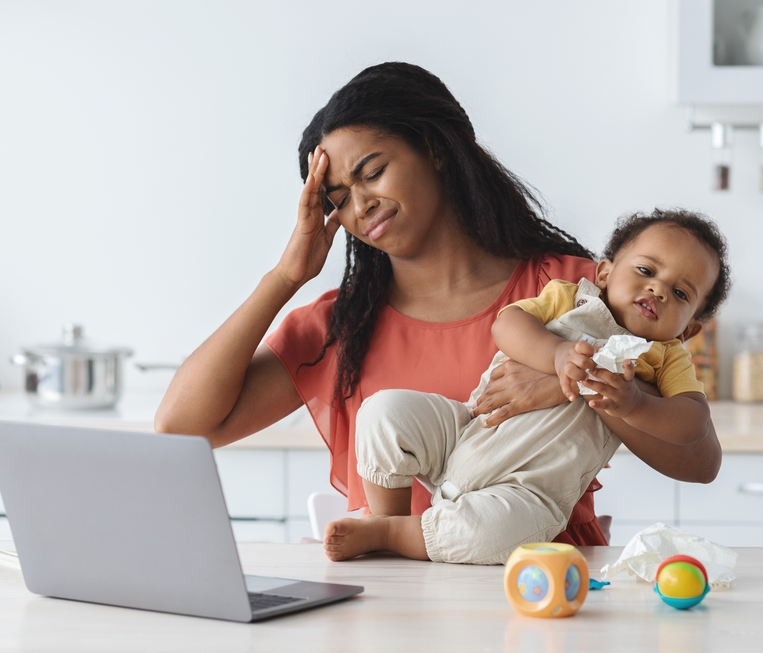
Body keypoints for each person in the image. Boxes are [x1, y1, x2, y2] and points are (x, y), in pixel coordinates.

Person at [154, 62, 722, 553]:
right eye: (338, 199)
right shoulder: (340, 326)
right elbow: (182, 426)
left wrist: (576, 380)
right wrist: (285, 277)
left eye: (372, 172)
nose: (361, 204)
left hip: (542, 599)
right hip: (392, 611)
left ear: (435, 150)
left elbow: (698, 460)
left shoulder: (573, 295)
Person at [329, 210, 730, 564]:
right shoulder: (570, 297)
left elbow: (693, 422)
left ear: (690, 328)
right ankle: (387, 517)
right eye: (646, 271)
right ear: (604, 273)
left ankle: (392, 535)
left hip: (529, 492)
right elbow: (508, 324)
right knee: (384, 412)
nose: (658, 290)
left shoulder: (664, 357)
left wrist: (635, 405)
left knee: (496, 535)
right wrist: (555, 356)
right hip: (467, 431)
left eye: (680, 293)